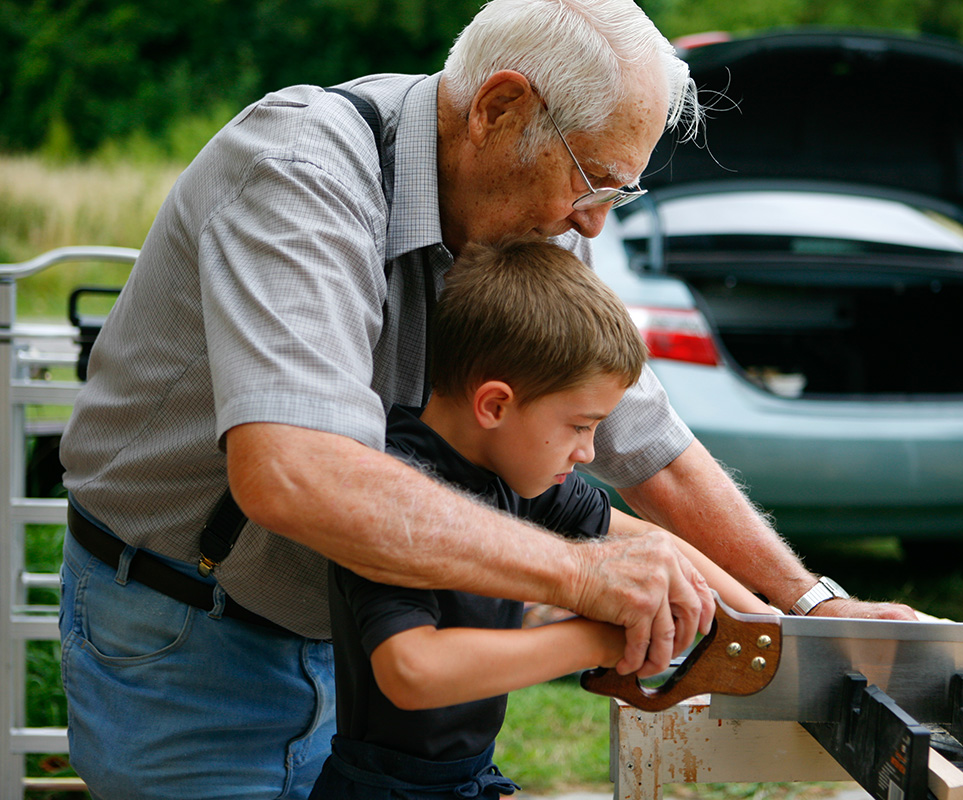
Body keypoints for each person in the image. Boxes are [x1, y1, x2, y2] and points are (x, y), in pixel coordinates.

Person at [57, 0, 915, 796]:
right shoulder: (301, 174)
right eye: (594, 183)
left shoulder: (532, 209)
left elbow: (643, 439)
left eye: (620, 194)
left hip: (345, 658)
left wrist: (810, 608)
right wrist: (589, 580)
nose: (593, 225)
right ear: (499, 108)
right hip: (188, 640)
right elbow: (296, 475)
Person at [310, 236, 776, 799]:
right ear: (496, 405)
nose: (587, 451)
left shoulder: (514, 470)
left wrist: (765, 628)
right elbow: (411, 671)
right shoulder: (394, 489)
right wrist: (601, 643)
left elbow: (653, 543)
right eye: (581, 425)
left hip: (466, 779)